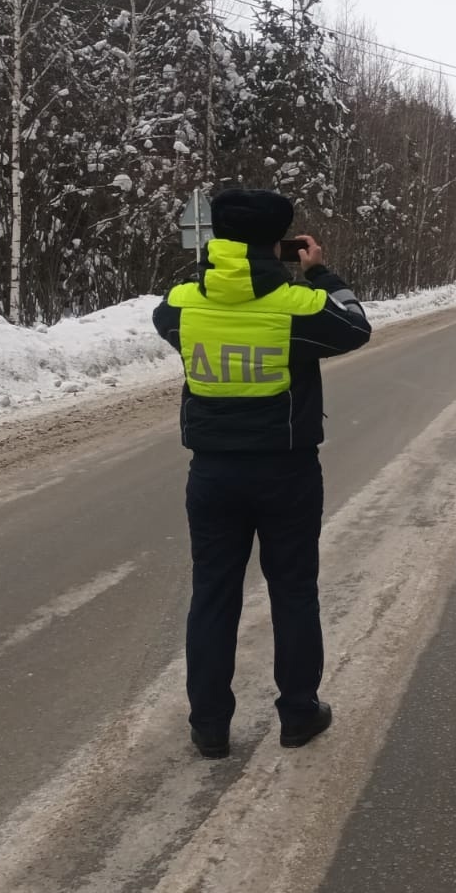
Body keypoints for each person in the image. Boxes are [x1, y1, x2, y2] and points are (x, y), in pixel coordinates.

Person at [152, 188, 372, 759]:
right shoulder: (295, 307)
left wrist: (211, 269)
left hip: (212, 474)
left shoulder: (180, 303)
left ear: (218, 237)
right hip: (286, 472)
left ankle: (209, 725)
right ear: (281, 241)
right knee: (293, 593)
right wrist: (320, 273)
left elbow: (167, 318)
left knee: (213, 596)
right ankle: (298, 714)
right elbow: (354, 327)